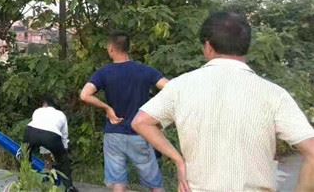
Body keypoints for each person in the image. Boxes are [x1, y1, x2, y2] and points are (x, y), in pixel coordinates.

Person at [132, 12, 314, 192]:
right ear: (246, 46)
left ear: (208, 46)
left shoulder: (180, 86)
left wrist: (179, 160)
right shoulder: (273, 94)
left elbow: (141, 122)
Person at [79, 31, 169, 192]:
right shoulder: (146, 71)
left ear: (111, 48)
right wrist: (156, 114)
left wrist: (107, 108)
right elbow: (170, 89)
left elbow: (84, 95)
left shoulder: (104, 72)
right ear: (129, 48)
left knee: (118, 182)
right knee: (155, 184)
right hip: (141, 132)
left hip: (114, 133)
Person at [24, 96, 77, 191]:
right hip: (51, 135)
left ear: (45, 104)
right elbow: (64, 137)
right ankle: (69, 187)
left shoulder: (38, 111)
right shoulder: (61, 115)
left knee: (25, 155)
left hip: (31, 132)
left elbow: (39, 129)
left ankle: (23, 180)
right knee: (63, 161)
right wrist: (63, 153)